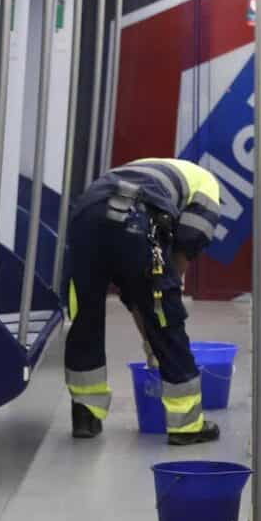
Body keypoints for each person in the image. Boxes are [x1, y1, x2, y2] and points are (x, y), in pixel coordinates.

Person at [62, 157, 225, 443]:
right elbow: (181, 255)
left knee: (85, 316)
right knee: (167, 317)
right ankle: (186, 425)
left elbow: (134, 290)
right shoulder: (209, 190)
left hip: (86, 215)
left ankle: (85, 414)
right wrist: (158, 319)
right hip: (136, 218)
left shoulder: (149, 168)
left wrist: (147, 333)